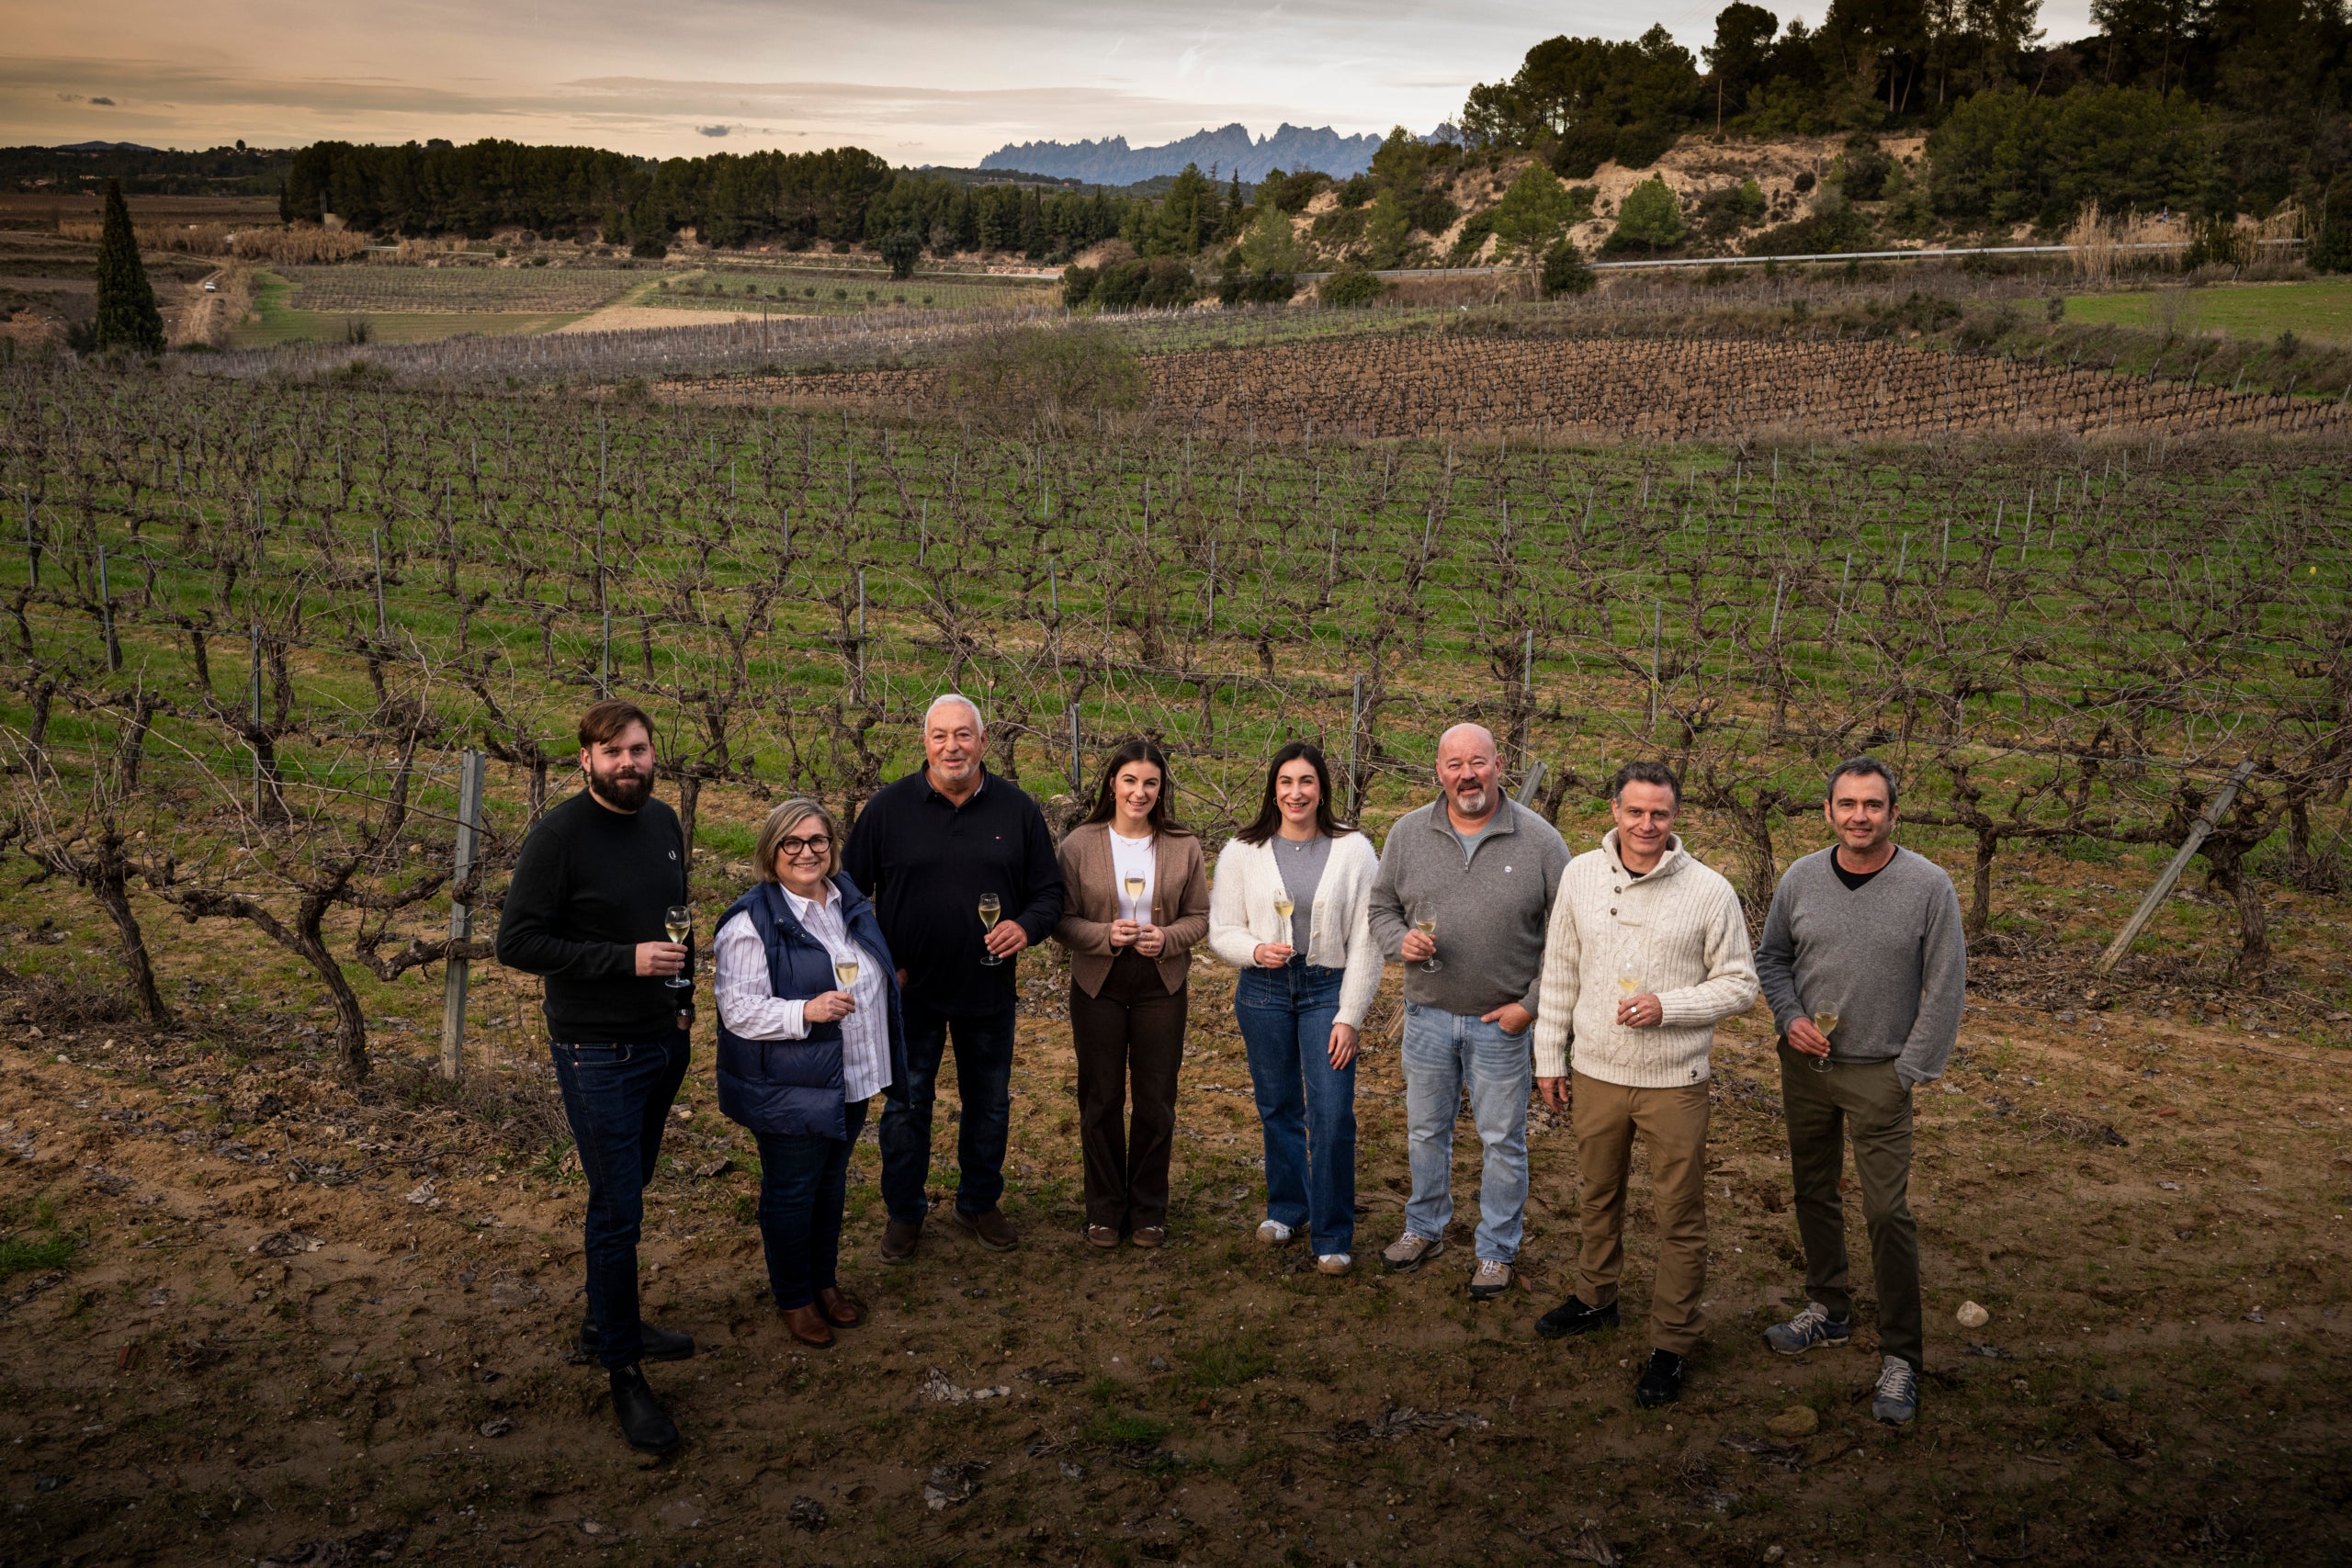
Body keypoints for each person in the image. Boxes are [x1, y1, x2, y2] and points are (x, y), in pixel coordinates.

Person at [494, 698, 695, 1456]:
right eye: (612, 752)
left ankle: (604, 1320)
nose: (628, 763)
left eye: (638, 750)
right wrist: (625, 960)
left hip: (661, 1042)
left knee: (630, 1188)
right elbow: (517, 942)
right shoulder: (559, 837)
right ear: (585, 759)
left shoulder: (664, 822)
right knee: (617, 1210)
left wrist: (682, 1007)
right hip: (596, 1050)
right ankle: (623, 1368)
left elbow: (676, 922)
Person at [1529, 761, 1758, 1408]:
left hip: (1674, 1081)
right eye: (1635, 811)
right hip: (1595, 1071)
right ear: (1614, 810)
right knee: (1598, 1193)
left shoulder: (1710, 891)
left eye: (1659, 813)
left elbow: (1741, 983)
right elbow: (1560, 969)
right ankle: (1595, 1297)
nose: (1646, 824)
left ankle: (1672, 1342)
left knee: (1678, 1212)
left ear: (1675, 816)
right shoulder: (1580, 875)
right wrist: (1548, 1056)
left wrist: (1670, 1006)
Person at [1754, 756, 1966, 1426]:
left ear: (1893, 813)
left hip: (1881, 1071)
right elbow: (1772, 958)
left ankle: (1902, 1354)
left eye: (1873, 804)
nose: (1859, 816)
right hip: (1806, 1066)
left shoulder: (1928, 886)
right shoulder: (1800, 877)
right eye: (1846, 804)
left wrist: (1909, 1070)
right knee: (1813, 1189)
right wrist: (1788, 1017)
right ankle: (1829, 1307)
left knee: (1886, 1212)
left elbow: (1946, 985)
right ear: (1828, 811)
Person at [842, 694, 1064, 1261]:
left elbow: (1049, 893)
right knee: (905, 1106)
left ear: (983, 741)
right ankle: (904, 1212)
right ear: (925, 742)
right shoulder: (887, 809)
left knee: (988, 1103)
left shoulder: (1017, 809)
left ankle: (978, 1201)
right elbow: (846, 895)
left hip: (988, 988)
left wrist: (1025, 927)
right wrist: (878, 961)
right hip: (908, 991)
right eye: (940, 735)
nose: (952, 746)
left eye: (964, 734)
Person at [1367, 723, 1568, 1300]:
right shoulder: (1408, 833)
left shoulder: (1540, 841)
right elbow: (1381, 908)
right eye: (1454, 765)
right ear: (1439, 772)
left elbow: (1570, 934)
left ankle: (1496, 1250)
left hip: (1501, 1025)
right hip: (1426, 1017)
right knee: (1425, 1130)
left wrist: (1530, 1006)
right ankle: (1424, 1227)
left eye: (1478, 762)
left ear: (1499, 765)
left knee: (1502, 1140)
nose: (1467, 775)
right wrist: (1398, 941)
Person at [713, 799, 909, 1348]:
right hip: (790, 1085)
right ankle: (794, 1296)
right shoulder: (752, 921)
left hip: (850, 1075)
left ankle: (824, 1281)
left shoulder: (847, 899)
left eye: (817, 840)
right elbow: (738, 1010)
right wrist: (806, 1011)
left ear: (832, 846)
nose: (807, 852)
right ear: (771, 851)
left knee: (830, 1185)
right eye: (792, 843)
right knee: (792, 1192)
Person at [1207, 742, 1383, 1275]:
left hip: (1327, 989)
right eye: (1285, 782)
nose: (1296, 792)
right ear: (1273, 789)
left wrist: (1350, 1015)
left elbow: (1368, 940)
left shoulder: (1354, 850)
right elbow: (1222, 930)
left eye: (1306, 781)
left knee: (1332, 1111)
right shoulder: (1243, 850)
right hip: (1263, 990)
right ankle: (1288, 1208)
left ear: (1322, 789)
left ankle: (1332, 1232)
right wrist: (1254, 950)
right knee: (1279, 1106)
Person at [1050, 739, 1211, 1247]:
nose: (1139, 792)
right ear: (1112, 784)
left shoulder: (1183, 845)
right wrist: (1103, 935)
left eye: (1150, 783)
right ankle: (1103, 1209)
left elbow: (1199, 917)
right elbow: (1060, 920)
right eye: (1130, 781)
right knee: (1100, 1098)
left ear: (1161, 789)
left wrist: (1169, 938)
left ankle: (1147, 1211)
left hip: (1161, 985)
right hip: (1098, 983)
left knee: (1155, 1100)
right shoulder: (1080, 844)